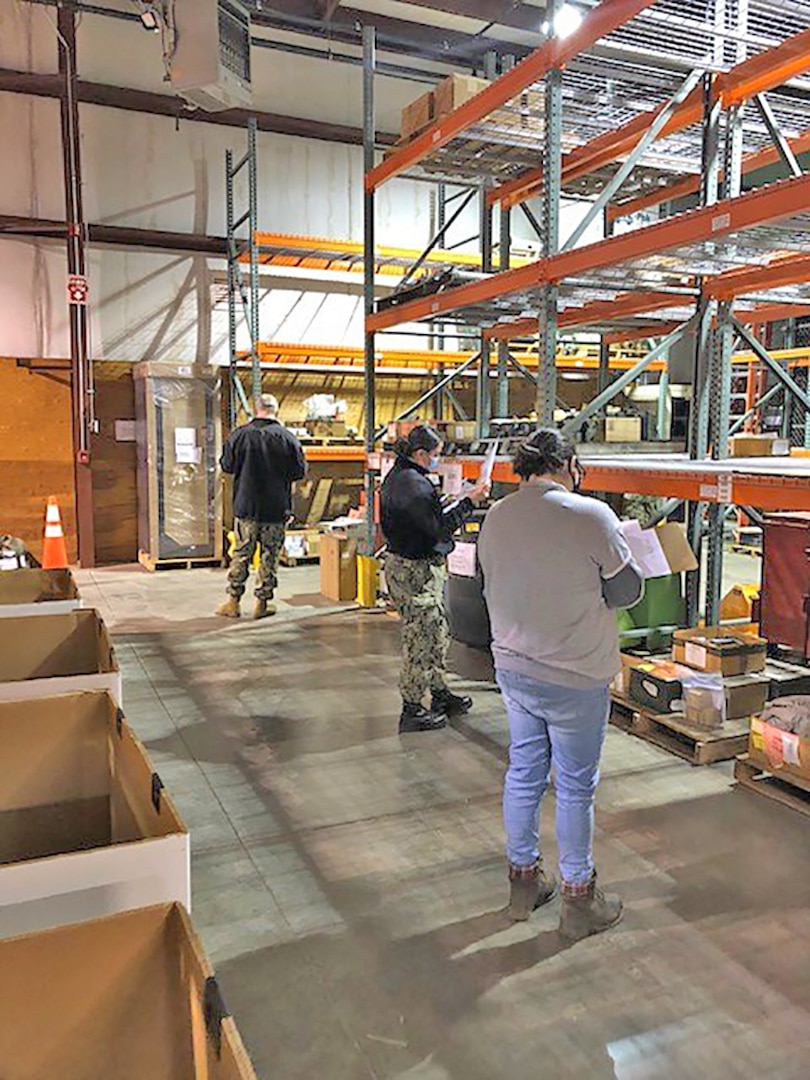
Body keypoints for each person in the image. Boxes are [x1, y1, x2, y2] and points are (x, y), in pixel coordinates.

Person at [477, 428, 643, 942]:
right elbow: (628, 591)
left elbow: (488, 583)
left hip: (513, 667)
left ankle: (523, 881)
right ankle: (578, 896)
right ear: (569, 464)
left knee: (524, 770)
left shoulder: (496, 516)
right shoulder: (591, 515)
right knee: (574, 786)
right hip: (573, 673)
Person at [381, 424, 490, 734]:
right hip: (414, 571)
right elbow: (437, 529)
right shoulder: (412, 486)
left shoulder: (405, 478)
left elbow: (424, 517)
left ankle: (440, 693)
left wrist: (450, 499)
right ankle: (412, 708)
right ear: (420, 454)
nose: (437, 460)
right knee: (421, 638)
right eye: (435, 455)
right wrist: (470, 502)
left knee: (437, 631)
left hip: (415, 567)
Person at [217, 393, 307, 620]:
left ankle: (233, 602)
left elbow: (226, 466)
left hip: (246, 507)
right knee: (270, 555)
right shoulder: (288, 438)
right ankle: (262, 604)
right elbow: (299, 473)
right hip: (276, 509)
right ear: (276, 410)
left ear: (255, 409)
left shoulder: (239, 436)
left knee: (241, 554)